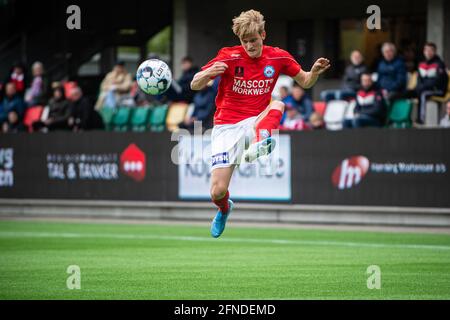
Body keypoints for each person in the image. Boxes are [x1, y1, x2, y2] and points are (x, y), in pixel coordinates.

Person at [190, 9, 330, 238]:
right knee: (217, 191)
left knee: (278, 104)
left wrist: (313, 72)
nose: (249, 46)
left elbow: (305, 81)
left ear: (263, 35)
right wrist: (206, 75)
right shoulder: (228, 55)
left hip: (257, 118)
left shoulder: (278, 57)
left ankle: (262, 141)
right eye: (244, 42)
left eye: (253, 40)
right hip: (226, 125)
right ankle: (225, 209)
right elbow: (194, 85)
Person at [414, 42, 449, 124]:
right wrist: (419, 87)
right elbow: (419, 79)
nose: (428, 52)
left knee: (423, 94)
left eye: (431, 50)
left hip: (438, 90)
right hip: (424, 88)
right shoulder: (421, 64)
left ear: (434, 51)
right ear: (424, 51)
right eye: (426, 50)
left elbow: (438, 81)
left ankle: (421, 119)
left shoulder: (439, 64)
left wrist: (423, 86)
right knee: (411, 93)